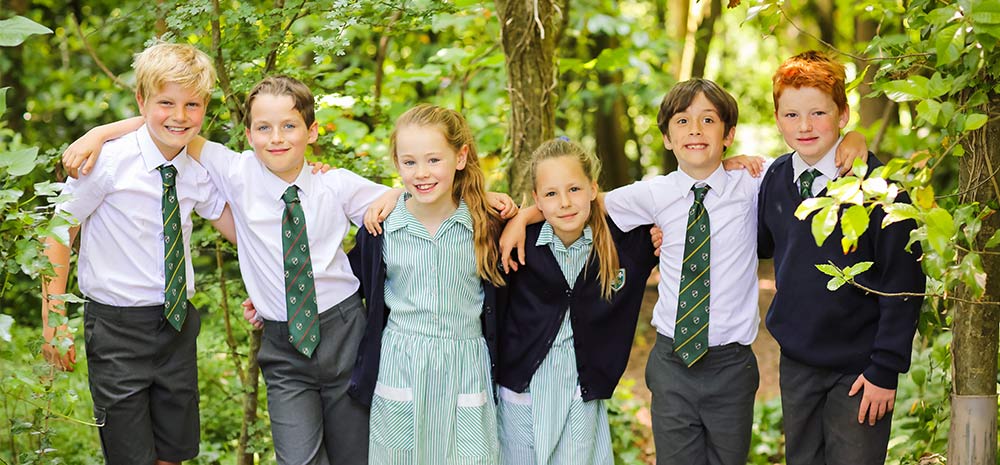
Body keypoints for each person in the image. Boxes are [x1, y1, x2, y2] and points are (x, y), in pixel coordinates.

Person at [62, 75, 406, 465]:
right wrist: (101, 133)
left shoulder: (337, 185)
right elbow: (173, 129)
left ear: (311, 132)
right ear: (248, 134)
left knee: (357, 454)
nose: (276, 138)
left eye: (289, 126)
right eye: (263, 127)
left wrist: (403, 193)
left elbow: (415, 202)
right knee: (297, 458)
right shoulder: (235, 170)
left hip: (346, 333)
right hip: (283, 347)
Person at [40, 42, 236, 465]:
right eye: (166, 102)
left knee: (173, 451)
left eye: (192, 104)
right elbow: (59, 230)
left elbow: (242, 231)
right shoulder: (108, 161)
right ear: (142, 101)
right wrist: (53, 317)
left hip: (176, 325)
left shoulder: (198, 168)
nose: (180, 116)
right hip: (117, 330)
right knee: (130, 455)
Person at [758, 50, 925, 465]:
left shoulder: (877, 188)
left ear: (843, 114)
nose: (805, 126)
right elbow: (758, 243)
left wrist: (885, 369)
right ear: (777, 119)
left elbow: (904, 281)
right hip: (797, 363)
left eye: (818, 113)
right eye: (792, 115)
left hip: (860, 370)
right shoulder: (776, 179)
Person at [347, 104, 508, 465]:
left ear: (461, 157)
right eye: (409, 162)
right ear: (396, 164)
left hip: (465, 365)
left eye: (434, 160)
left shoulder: (486, 225)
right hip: (401, 363)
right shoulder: (381, 228)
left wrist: (523, 214)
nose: (422, 173)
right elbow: (343, 284)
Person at [496, 138, 658, 465]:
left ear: (593, 188)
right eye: (551, 194)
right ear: (537, 199)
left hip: (580, 389)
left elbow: (681, 195)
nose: (565, 203)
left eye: (574, 189)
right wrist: (521, 218)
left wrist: (725, 164)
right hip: (521, 389)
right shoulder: (517, 244)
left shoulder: (624, 242)